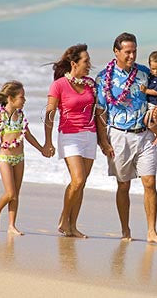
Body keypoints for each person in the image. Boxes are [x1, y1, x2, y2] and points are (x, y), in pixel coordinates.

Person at [95, 32, 157, 244]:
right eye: (127, 52)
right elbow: (100, 111)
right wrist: (103, 140)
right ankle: (125, 230)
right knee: (123, 185)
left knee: (150, 183)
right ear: (116, 52)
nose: (132, 56)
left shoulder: (145, 73)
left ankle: (152, 232)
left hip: (145, 135)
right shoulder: (103, 78)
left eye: (134, 51)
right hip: (118, 136)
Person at [0, 80, 47, 235]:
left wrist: (41, 149)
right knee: (10, 193)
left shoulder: (21, 116)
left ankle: (11, 225)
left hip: (19, 158)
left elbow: (28, 136)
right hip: (5, 158)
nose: (24, 100)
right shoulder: (0, 116)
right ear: (10, 98)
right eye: (22, 97)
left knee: (16, 193)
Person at [44, 44, 97, 238]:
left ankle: (72, 226)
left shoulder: (90, 83)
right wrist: (47, 142)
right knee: (78, 179)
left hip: (90, 136)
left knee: (81, 184)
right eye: (86, 61)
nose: (89, 65)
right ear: (74, 63)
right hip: (69, 135)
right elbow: (49, 114)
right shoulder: (58, 85)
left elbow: (98, 113)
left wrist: (104, 141)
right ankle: (64, 218)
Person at [139, 51, 157, 145]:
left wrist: (145, 91)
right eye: (153, 69)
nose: (155, 72)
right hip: (151, 103)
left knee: (148, 122)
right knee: (147, 120)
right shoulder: (151, 75)